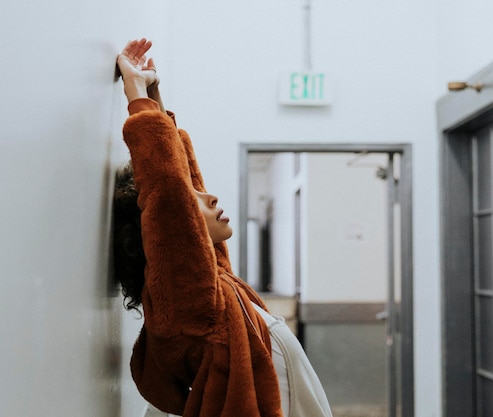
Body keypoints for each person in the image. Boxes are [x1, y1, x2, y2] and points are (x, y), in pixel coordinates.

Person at [114, 38, 333, 417]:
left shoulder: (215, 288)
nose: (211, 197)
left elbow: (178, 179)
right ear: (165, 229)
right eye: (193, 200)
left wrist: (154, 94)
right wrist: (135, 94)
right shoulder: (190, 307)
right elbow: (168, 191)